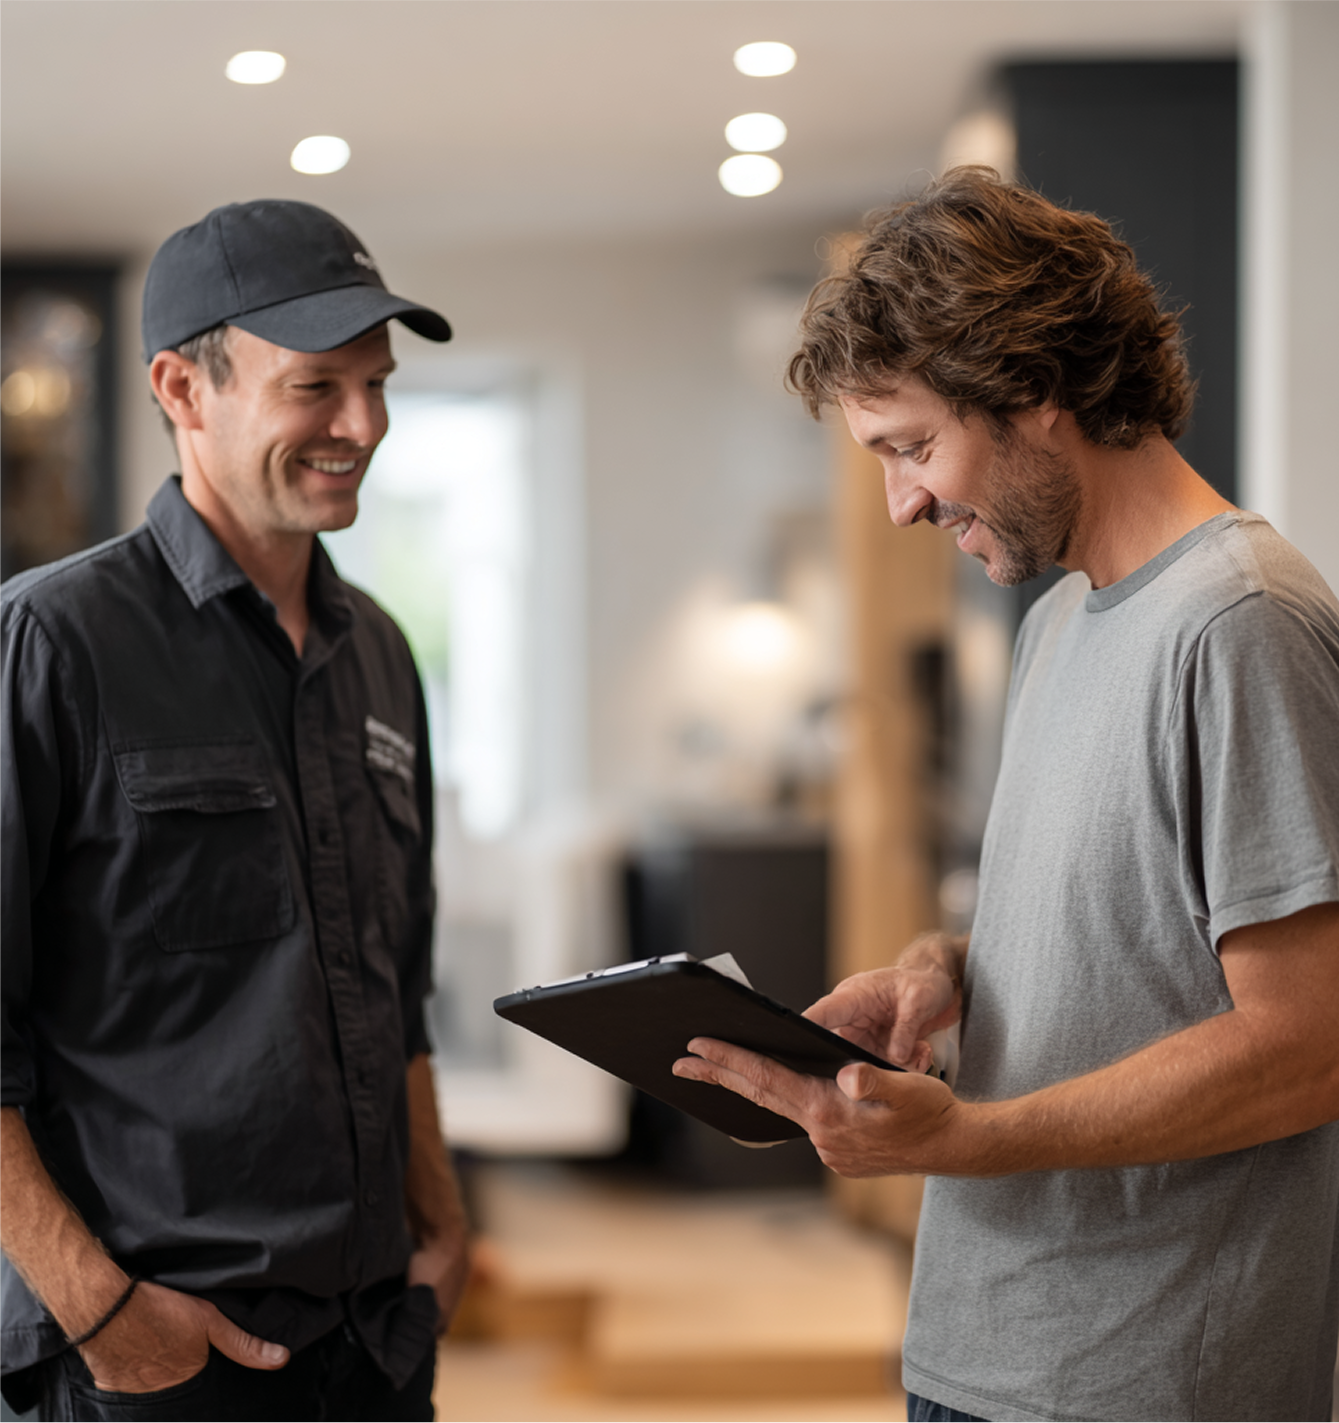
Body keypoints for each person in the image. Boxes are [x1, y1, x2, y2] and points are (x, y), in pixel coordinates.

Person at [673, 167, 1339, 1423]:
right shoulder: (1061, 622)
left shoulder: (1240, 624)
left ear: (1034, 390)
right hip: (987, 1346)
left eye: (915, 446)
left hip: (1147, 1379)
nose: (903, 501)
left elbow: (1305, 1046)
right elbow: (1136, 938)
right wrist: (943, 969)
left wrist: (957, 1140)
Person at [0, 199, 472, 1422]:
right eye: (317, 386)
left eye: (378, 385)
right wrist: (102, 1314)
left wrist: (441, 1223)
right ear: (181, 386)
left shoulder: (381, 654)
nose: (362, 426)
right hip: (162, 1362)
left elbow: (399, 982)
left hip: (376, 1342)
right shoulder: (52, 641)